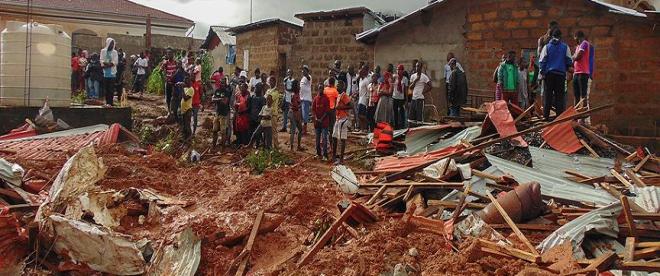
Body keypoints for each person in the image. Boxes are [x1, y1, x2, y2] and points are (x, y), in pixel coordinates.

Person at [540, 28, 573, 121]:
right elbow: (569, 60)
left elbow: (542, 61)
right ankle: (559, 117)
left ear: (552, 36)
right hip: (560, 75)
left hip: (549, 75)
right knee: (559, 96)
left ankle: (545, 116)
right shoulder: (565, 47)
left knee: (548, 96)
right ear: (560, 36)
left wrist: (542, 73)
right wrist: (567, 67)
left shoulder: (546, 47)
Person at [332, 81, 353, 164]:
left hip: (343, 119)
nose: (337, 87)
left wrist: (341, 107)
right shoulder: (338, 95)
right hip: (338, 119)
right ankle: (334, 157)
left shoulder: (344, 96)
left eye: (338, 86)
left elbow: (351, 105)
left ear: (343, 87)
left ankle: (341, 160)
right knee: (334, 137)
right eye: (336, 85)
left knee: (342, 139)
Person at [572, 30, 591, 107]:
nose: (575, 41)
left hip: (583, 73)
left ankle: (584, 114)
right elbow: (574, 57)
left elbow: (578, 56)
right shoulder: (578, 47)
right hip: (576, 73)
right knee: (576, 95)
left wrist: (573, 58)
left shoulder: (584, 43)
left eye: (575, 39)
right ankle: (575, 114)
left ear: (578, 37)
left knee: (583, 95)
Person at [212, 78, 232, 147]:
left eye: (223, 83)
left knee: (223, 132)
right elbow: (212, 99)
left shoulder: (227, 92)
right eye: (221, 82)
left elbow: (225, 102)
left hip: (224, 114)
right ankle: (213, 146)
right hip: (217, 112)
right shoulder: (217, 90)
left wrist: (217, 99)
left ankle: (223, 148)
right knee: (214, 130)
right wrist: (220, 99)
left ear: (225, 84)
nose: (222, 84)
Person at [312, 83, 330, 160]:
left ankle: (325, 155)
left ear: (323, 89)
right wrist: (316, 118)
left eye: (322, 88)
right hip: (317, 123)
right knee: (317, 139)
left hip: (324, 122)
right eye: (319, 88)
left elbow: (327, 111)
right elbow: (313, 110)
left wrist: (321, 119)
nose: (320, 90)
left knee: (324, 139)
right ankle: (318, 153)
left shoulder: (326, 98)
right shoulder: (315, 99)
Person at [265, 77, 282, 149]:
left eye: (272, 81)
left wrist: (267, 97)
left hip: (273, 114)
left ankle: (276, 147)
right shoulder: (268, 90)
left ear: (275, 82)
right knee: (267, 131)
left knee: (274, 131)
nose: (271, 83)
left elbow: (269, 101)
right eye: (270, 81)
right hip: (267, 113)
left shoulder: (276, 92)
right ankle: (269, 146)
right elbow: (265, 99)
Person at [100, 38, 118, 106]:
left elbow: (115, 62)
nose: (112, 45)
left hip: (112, 74)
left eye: (113, 44)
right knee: (106, 89)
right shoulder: (103, 51)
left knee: (111, 89)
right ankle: (107, 102)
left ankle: (111, 102)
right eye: (111, 43)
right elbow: (101, 60)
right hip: (105, 73)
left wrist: (107, 64)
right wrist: (106, 64)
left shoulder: (115, 52)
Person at [289, 80, 304, 151]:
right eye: (298, 84)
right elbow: (295, 106)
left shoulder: (296, 94)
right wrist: (300, 105)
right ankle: (292, 147)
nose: (299, 86)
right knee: (294, 130)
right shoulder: (294, 95)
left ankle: (297, 146)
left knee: (299, 129)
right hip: (294, 113)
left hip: (295, 113)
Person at [161, 48, 177, 113]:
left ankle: (173, 109)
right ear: (167, 55)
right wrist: (164, 78)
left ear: (173, 54)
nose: (169, 55)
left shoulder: (175, 62)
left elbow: (179, 70)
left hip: (174, 82)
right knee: (168, 96)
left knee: (174, 96)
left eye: (170, 53)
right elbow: (160, 71)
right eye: (168, 53)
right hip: (168, 82)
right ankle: (169, 110)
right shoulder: (165, 63)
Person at [392, 64, 408, 129]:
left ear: (402, 70)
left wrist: (406, 99)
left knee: (401, 113)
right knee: (395, 113)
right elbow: (391, 84)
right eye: (397, 69)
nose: (398, 71)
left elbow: (406, 90)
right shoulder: (394, 77)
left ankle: (402, 126)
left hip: (401, 98)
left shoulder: (405, 79)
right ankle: (396, 127)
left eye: (400, 70)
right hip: (394, 97)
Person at [191, 59, 203, 135]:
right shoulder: (188, 84)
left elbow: (201, 94)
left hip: (196, 104)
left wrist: (201, 103)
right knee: (189, 118)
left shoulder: (198, 66)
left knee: (195, 118)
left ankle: (194, 132)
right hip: (189, 104)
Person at [180, 76, 194, 141]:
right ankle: (185, 138)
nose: (185, 82)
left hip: (188, 109)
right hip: (183, 110)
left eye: (187, 81)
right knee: (184, 125)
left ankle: (189, 138)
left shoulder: (191, 89)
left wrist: (182, 88)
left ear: (190, 82)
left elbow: (185, 99)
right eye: (185, 81)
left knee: (187, 124)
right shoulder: (185, 89)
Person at [357, 65, 370, 132]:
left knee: (361, 115)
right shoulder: (360, 80)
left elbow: (368, 91)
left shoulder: (366, 81)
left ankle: (367, 126)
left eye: (360, 73)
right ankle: (362, 129)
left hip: (364, 100)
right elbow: (359, 90)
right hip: (360, 99)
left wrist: (367, 101)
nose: (359, 75)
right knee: (359, 115)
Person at [300, 66, 313, 134]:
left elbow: (308, 77)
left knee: (305, 114)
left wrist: (306, 74)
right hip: (302, 98)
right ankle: (302, 129)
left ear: (307, 71)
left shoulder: (309, 77)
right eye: (302, 70)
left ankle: (304, 130)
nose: (303, 71)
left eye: (304, 70)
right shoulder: (302, 78)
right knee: (302, 114)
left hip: (306, 98)